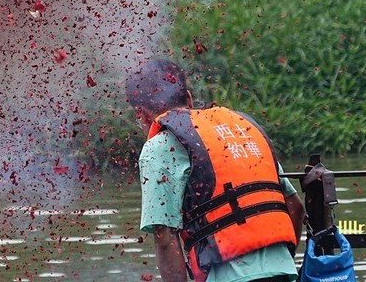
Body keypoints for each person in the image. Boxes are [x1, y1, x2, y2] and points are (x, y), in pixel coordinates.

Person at [125, 58, 305, 282]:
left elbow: (165, 238)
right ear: (189, 99)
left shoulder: (160, 146)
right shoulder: (239, 126)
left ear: (141, 115)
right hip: (283, 271)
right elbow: (296, 207)